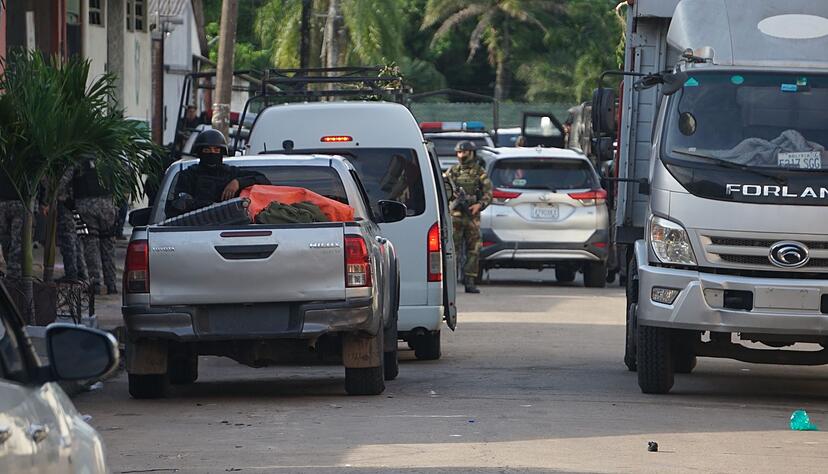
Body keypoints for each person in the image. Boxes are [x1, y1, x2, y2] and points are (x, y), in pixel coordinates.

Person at [166, 129, 270, 218]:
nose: (212, 153)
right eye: (207, 150)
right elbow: (179, 204)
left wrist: (238, 182)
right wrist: (212, 206)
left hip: (230, 225)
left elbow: (263, 180)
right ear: (200, 152)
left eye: (216, 150)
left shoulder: (231, 173)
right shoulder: (189, 175)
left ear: (222, 152)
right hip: (197, 226)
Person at [444, 141, 492, 294]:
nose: (462, 155)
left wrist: (479, 205)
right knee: (452, 250)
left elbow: (488, 193)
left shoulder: (479, 172)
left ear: (472, 153)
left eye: (465, 152)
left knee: (474, 249)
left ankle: (470, 281)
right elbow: (444, 191)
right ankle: (450, 282)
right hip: (455, 216)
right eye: (459, 152)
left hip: (472, 216)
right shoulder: (452, 172)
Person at [72, 158, 118, 295]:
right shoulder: (108, 157)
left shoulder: (78, 159)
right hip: (107, 204)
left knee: (91, 245)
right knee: (108, 245)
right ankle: (111, 284)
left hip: (86, 205)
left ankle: (95, 283)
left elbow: (64, 180)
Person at [0, 169, 25, 279]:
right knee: (14, 241)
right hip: (18, 202)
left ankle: (13, 273)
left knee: (13, 241)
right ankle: (13, 273)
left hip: (11, 201)